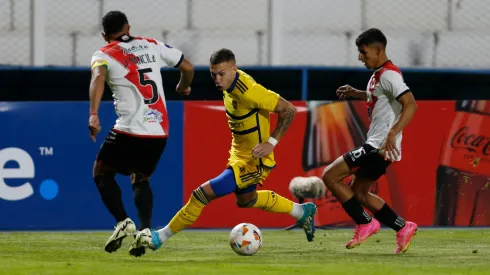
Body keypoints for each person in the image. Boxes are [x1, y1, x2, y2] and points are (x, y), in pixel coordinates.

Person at [128, 48, 317, 256]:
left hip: (253, 161)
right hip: (238, 155)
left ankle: (159, 237)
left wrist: (271, 142)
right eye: (213, 74)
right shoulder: (230, 85)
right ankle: (301, 211)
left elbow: (288, 109)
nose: (217, 79)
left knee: (200, 195)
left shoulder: (248, 91)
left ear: (234, 70)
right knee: (247, 200)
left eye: (222, 74)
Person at [88, 10, 194, 256]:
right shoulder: (152, 45)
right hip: (159, 130)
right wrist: (183, 85)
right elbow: (187, 66)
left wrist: (94, 113)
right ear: (128, 27)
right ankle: (146, 231)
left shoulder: (103, 53)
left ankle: (123, 222)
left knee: (102, 172)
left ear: (105, 35)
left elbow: (97, 78)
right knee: (141, 178)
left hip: (129, 129)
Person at [323, 28, 418, 254]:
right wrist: (355, 92)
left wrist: (393, 132)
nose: (360, 57)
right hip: (380, 146)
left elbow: (411, 104)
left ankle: (366, 223)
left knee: (330, 176)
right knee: (361, 194)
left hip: (377, 146)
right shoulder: (379, 76)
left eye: (363, 52)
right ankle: (403, 227)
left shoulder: (390, 75)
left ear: (378, 49)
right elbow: (378, 97)